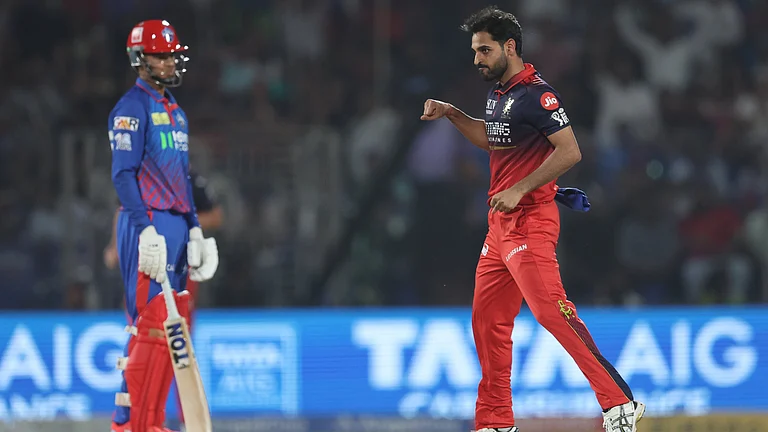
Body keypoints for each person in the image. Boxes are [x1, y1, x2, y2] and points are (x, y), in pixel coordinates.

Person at [420, 7, 645, 432]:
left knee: (551, 312)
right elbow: (493, 139)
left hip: (529, 221)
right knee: (488, 321)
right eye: (474, 51)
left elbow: (570, 151)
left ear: (509, 47)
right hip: (499, 225)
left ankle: (619, 403)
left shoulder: (538, 95)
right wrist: (452, 113)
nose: (477, 59)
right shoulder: (500, 93)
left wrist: (521, 188)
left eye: (484, 50)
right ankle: (495, 421)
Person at [108, 20, 219, 432]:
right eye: (161, 54)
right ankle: (129, 423)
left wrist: (193, 228)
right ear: (140, 60)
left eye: (173, 53)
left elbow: (181, 178)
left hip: (174, 224)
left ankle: (152, 421)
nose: (170, 60)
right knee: (149, 324)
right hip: (148, 224)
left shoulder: (176, 112)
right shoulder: (131, 110)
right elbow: (123, 175)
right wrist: (145, 228)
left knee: (174, 327)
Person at [104, 171, 223, 429]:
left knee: (178, 345)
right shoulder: (139, 175)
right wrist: (116, 245)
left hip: (177, 268)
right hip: (144, 265)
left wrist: (179, 223)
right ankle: (133, 419)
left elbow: (214, 215)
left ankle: (184, 421)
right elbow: (122, 208)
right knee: (140, 338)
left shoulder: (189, 181)